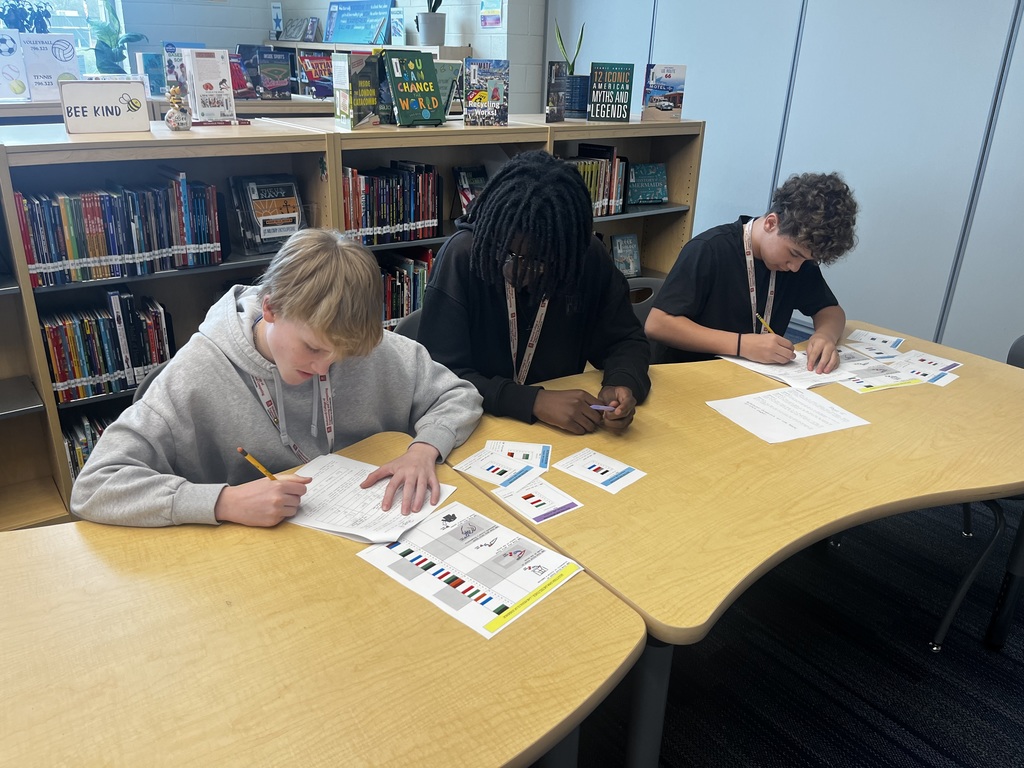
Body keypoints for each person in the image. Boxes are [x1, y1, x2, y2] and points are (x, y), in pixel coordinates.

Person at [70, 229, 483, 528]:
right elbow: (95, 486)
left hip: (364, 534)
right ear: (270, 308)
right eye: (314, 349)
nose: (325, 367)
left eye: (343, 354)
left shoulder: (362, 347)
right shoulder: (196, 374)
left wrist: (423, 449)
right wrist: (222, 502)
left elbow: (458, 395)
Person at [418, 150, 651, 435]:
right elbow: (440, 376)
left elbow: (625, 339)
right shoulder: (462, 257)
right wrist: (533, 401)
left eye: (540, 263)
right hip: (476, 425)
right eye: (509, 254)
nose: (519, 272)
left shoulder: (587, 259)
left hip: (562, 433)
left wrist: (622, 381)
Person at [645, 171, 858, 373]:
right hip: (690, 372)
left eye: (806, 259)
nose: (795, 267)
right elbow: (658, 324)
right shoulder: (709, 249)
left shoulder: (800, 262)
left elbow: (831, 311)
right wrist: (742, 345)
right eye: (794, 254)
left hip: (751, 376)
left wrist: (825, 335)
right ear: (771, 223)